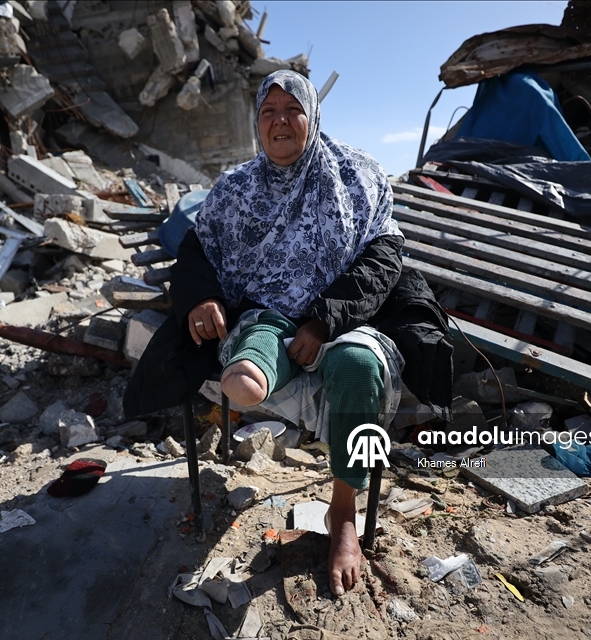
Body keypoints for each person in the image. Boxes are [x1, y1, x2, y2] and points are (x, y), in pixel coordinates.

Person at [124, 70, 454, 597]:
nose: (280, 120)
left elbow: (384, 257)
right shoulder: (234, 189)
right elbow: (197, 253)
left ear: (312, 116)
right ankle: (256, 367)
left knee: (359, 368)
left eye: (292, 109)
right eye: (268, 111)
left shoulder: (359, 175)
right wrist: (202, 298)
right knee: (249, 363)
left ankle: (343, 514)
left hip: (346, 318)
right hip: (265, 315)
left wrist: (323, 322)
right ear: (257, 122)